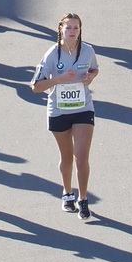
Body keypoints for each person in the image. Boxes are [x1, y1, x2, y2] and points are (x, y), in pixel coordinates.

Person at [31, 12, 99, 219]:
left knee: (81, 157)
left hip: (83, 108)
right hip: (59, 111)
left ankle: (83, 198)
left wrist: (90, 77)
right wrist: (59, 79)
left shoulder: (87, 51)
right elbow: (35, 86)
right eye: (68, 27)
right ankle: (67, 193)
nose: (72, 32)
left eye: (76, 28)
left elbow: (95, 69)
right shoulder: (52, 54)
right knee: (67, 157)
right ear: (60, 29)